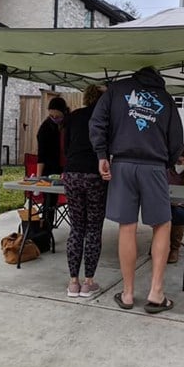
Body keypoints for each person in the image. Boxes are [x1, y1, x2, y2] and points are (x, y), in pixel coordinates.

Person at [89, 66, 184, 314]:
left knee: (127, 227)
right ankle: (156, 292)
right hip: (154, 166)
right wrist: (167, 163)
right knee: (162, 224)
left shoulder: (117, 90)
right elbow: (177, 140)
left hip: (122, 164)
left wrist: (101, 155)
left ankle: (128, 294)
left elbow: (97, 122)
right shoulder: (165, 99)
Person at [63, 85, 108, 298]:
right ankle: (88, 282)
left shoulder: (73, 117)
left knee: (76, 227)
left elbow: (65, 147)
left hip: (72, 174)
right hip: (94, 175)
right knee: (93, 229)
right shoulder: (106, 119)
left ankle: (73, 282)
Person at [36, 96, 68, 227]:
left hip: (70, 168)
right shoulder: (45, 129)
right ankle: (46, 232)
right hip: (51, 169)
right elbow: (41, 156)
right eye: (51, 116)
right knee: (49, 201)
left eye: (57, 116)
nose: (54, 118)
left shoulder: (72, 124)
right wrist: (38, 178)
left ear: (64, 113)